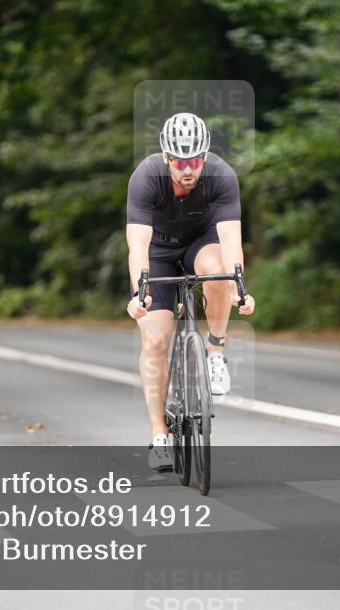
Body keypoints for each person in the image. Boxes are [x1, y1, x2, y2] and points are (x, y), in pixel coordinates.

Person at [125, 112, 256, 472]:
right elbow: (137, 245)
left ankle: (215, 353)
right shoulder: (146, 178)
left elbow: (231, 241)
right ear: (166, 157)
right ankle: (159, 434)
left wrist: (239, 288)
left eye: (196, 160)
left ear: (205, 157)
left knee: (218, 273)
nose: (189, 169)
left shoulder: (222, 175)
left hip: (200, 244)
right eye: (181, 161)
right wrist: (141, 293)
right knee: (155, 340)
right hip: (158, 253)